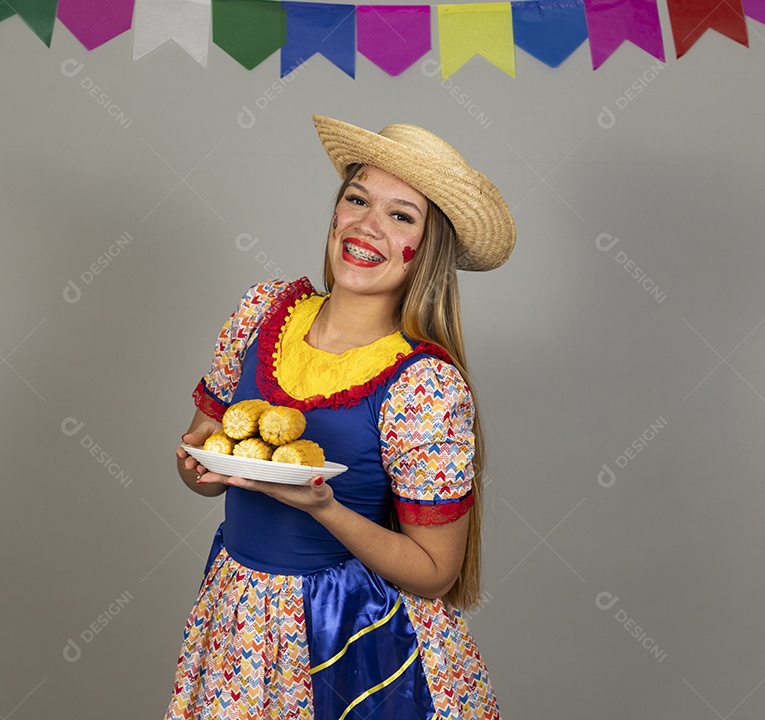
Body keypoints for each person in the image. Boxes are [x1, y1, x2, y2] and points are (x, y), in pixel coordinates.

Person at [166, 114, 516, 720]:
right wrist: (200, 468)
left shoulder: (424, 385)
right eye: (357, 199)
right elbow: (202, 449)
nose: (366, 225)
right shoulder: (261, 313)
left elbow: (435, 573)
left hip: (356, 637)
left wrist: (325, 506)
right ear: (335, 211)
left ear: (426, 249)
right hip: (240, 616)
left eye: (401, 215)